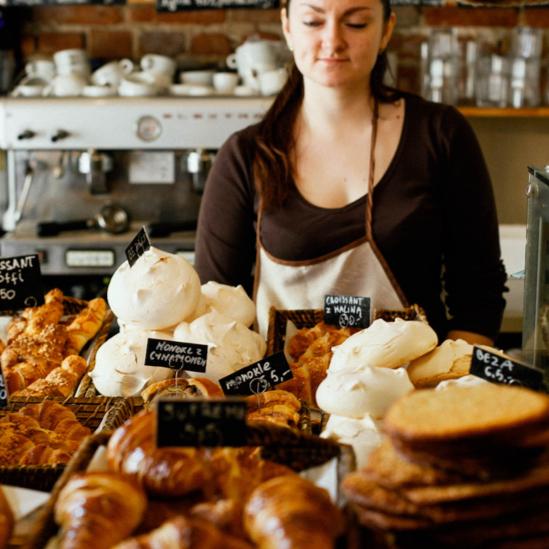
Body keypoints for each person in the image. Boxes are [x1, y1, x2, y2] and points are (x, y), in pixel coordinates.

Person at [195, 0, 507, 344]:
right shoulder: (245, 155)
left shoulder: (440, 134)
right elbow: (214, 311)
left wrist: (449, 389)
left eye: (356, 23)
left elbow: (479, 294)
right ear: (287, 27)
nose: (332, 40)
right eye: (313, 22)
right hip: (278, 395)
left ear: (386, 29)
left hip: (411, 392)